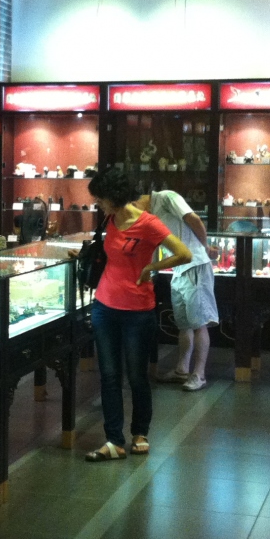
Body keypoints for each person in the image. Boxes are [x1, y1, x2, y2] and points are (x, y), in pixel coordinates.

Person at [82, 167, 192, 462]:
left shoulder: (148, 223)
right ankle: (114, 441)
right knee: (109, 376)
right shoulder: (109, 220)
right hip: (104, 306)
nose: (98, 204)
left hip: (138, 311)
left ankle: (140, 433)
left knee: (136, 376)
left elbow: (184, 253)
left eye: (100, 198)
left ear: (114, 196)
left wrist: (152, 267)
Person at [136, 188, 218, 391]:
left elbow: (194, 219)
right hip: (179, 269)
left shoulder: (167, 197)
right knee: (184, 324)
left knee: (199, 323)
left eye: (133, 206)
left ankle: (199, 374)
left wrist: (205, 247)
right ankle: (182, 369)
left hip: (195, 264)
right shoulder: (149, 214)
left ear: (139, 199)